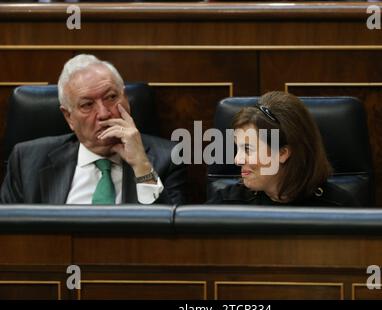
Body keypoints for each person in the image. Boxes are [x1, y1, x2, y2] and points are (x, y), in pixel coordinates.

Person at [0, 54, 186, 205]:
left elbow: (168, 239)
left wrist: (141, 165)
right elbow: (9, 237)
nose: (104, 113)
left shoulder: (167, 158)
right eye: (87, 105)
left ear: (126, 99)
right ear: (68, 117)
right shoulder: (27, 160)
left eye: (111, 97)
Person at [207, 91, 359, 206]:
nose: (237, 160)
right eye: (238, 148)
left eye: (247, 149)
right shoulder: (226, 203)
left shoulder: (339, 208)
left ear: (282, 153)